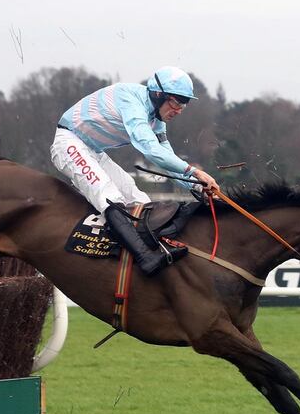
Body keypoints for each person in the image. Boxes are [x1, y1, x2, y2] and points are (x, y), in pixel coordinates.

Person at [50, 66, 219, 275]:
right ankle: (145, 258)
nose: (179, 109)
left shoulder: (157, 120)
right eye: (176, 101)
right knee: (110, 196)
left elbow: (167, 159)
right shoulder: (130, 99)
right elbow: (150, 150)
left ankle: (148, 252)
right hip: (69, 143)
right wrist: (194, 172)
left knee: (138, 199)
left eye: (184, 104)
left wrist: (196, 186)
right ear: (158, 95)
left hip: (94, 151)